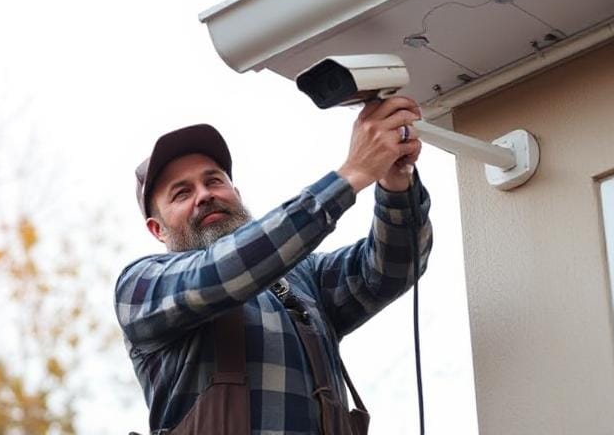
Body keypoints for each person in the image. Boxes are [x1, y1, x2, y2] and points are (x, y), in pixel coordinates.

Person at [115, 97, 433, 434]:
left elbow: (392, 268)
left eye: (214, 181)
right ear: (157, 229)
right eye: (182, 193)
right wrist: (353, 174)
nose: (204, 195)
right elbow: (219, 272)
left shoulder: (304, 277)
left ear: (237, 194)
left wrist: (395, 180)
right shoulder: (140, 288)